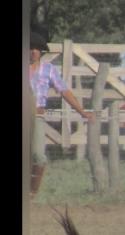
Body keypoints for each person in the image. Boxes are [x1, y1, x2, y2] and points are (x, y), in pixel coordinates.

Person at [29, 31, 95, 199]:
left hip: (37, 116)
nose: (34, 51)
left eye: (37, 49)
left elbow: (64, 91)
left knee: (38, 155)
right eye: (30, 48)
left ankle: (32, 192)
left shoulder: (48, 69)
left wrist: (82, 112)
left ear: (41, 52)